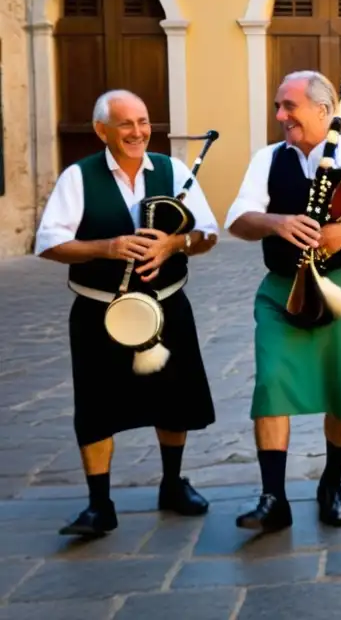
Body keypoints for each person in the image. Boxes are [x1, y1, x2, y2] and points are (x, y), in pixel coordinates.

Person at [225, 70, 341, 532]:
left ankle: (332, 484)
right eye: (277, 107)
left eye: (289, 106)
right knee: (270, 382)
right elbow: (237, 219)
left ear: (324, 111)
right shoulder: (268, 159)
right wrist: (275, 222)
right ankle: (274, 498)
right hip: (283, 286)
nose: (280, 115)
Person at [35, 89, 219, 537]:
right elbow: (49, 243)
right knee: (96, 407)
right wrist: (109, 247)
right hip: (102, 313)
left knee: (174, 400)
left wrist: (175, 243)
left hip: (168, 304)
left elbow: (208, 233)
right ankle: (100, 505)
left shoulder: (173, 170)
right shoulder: (79, 177)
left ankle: (173, 484)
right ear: (102, 130)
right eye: (125, 124)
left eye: (143, 122)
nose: (137, 132)